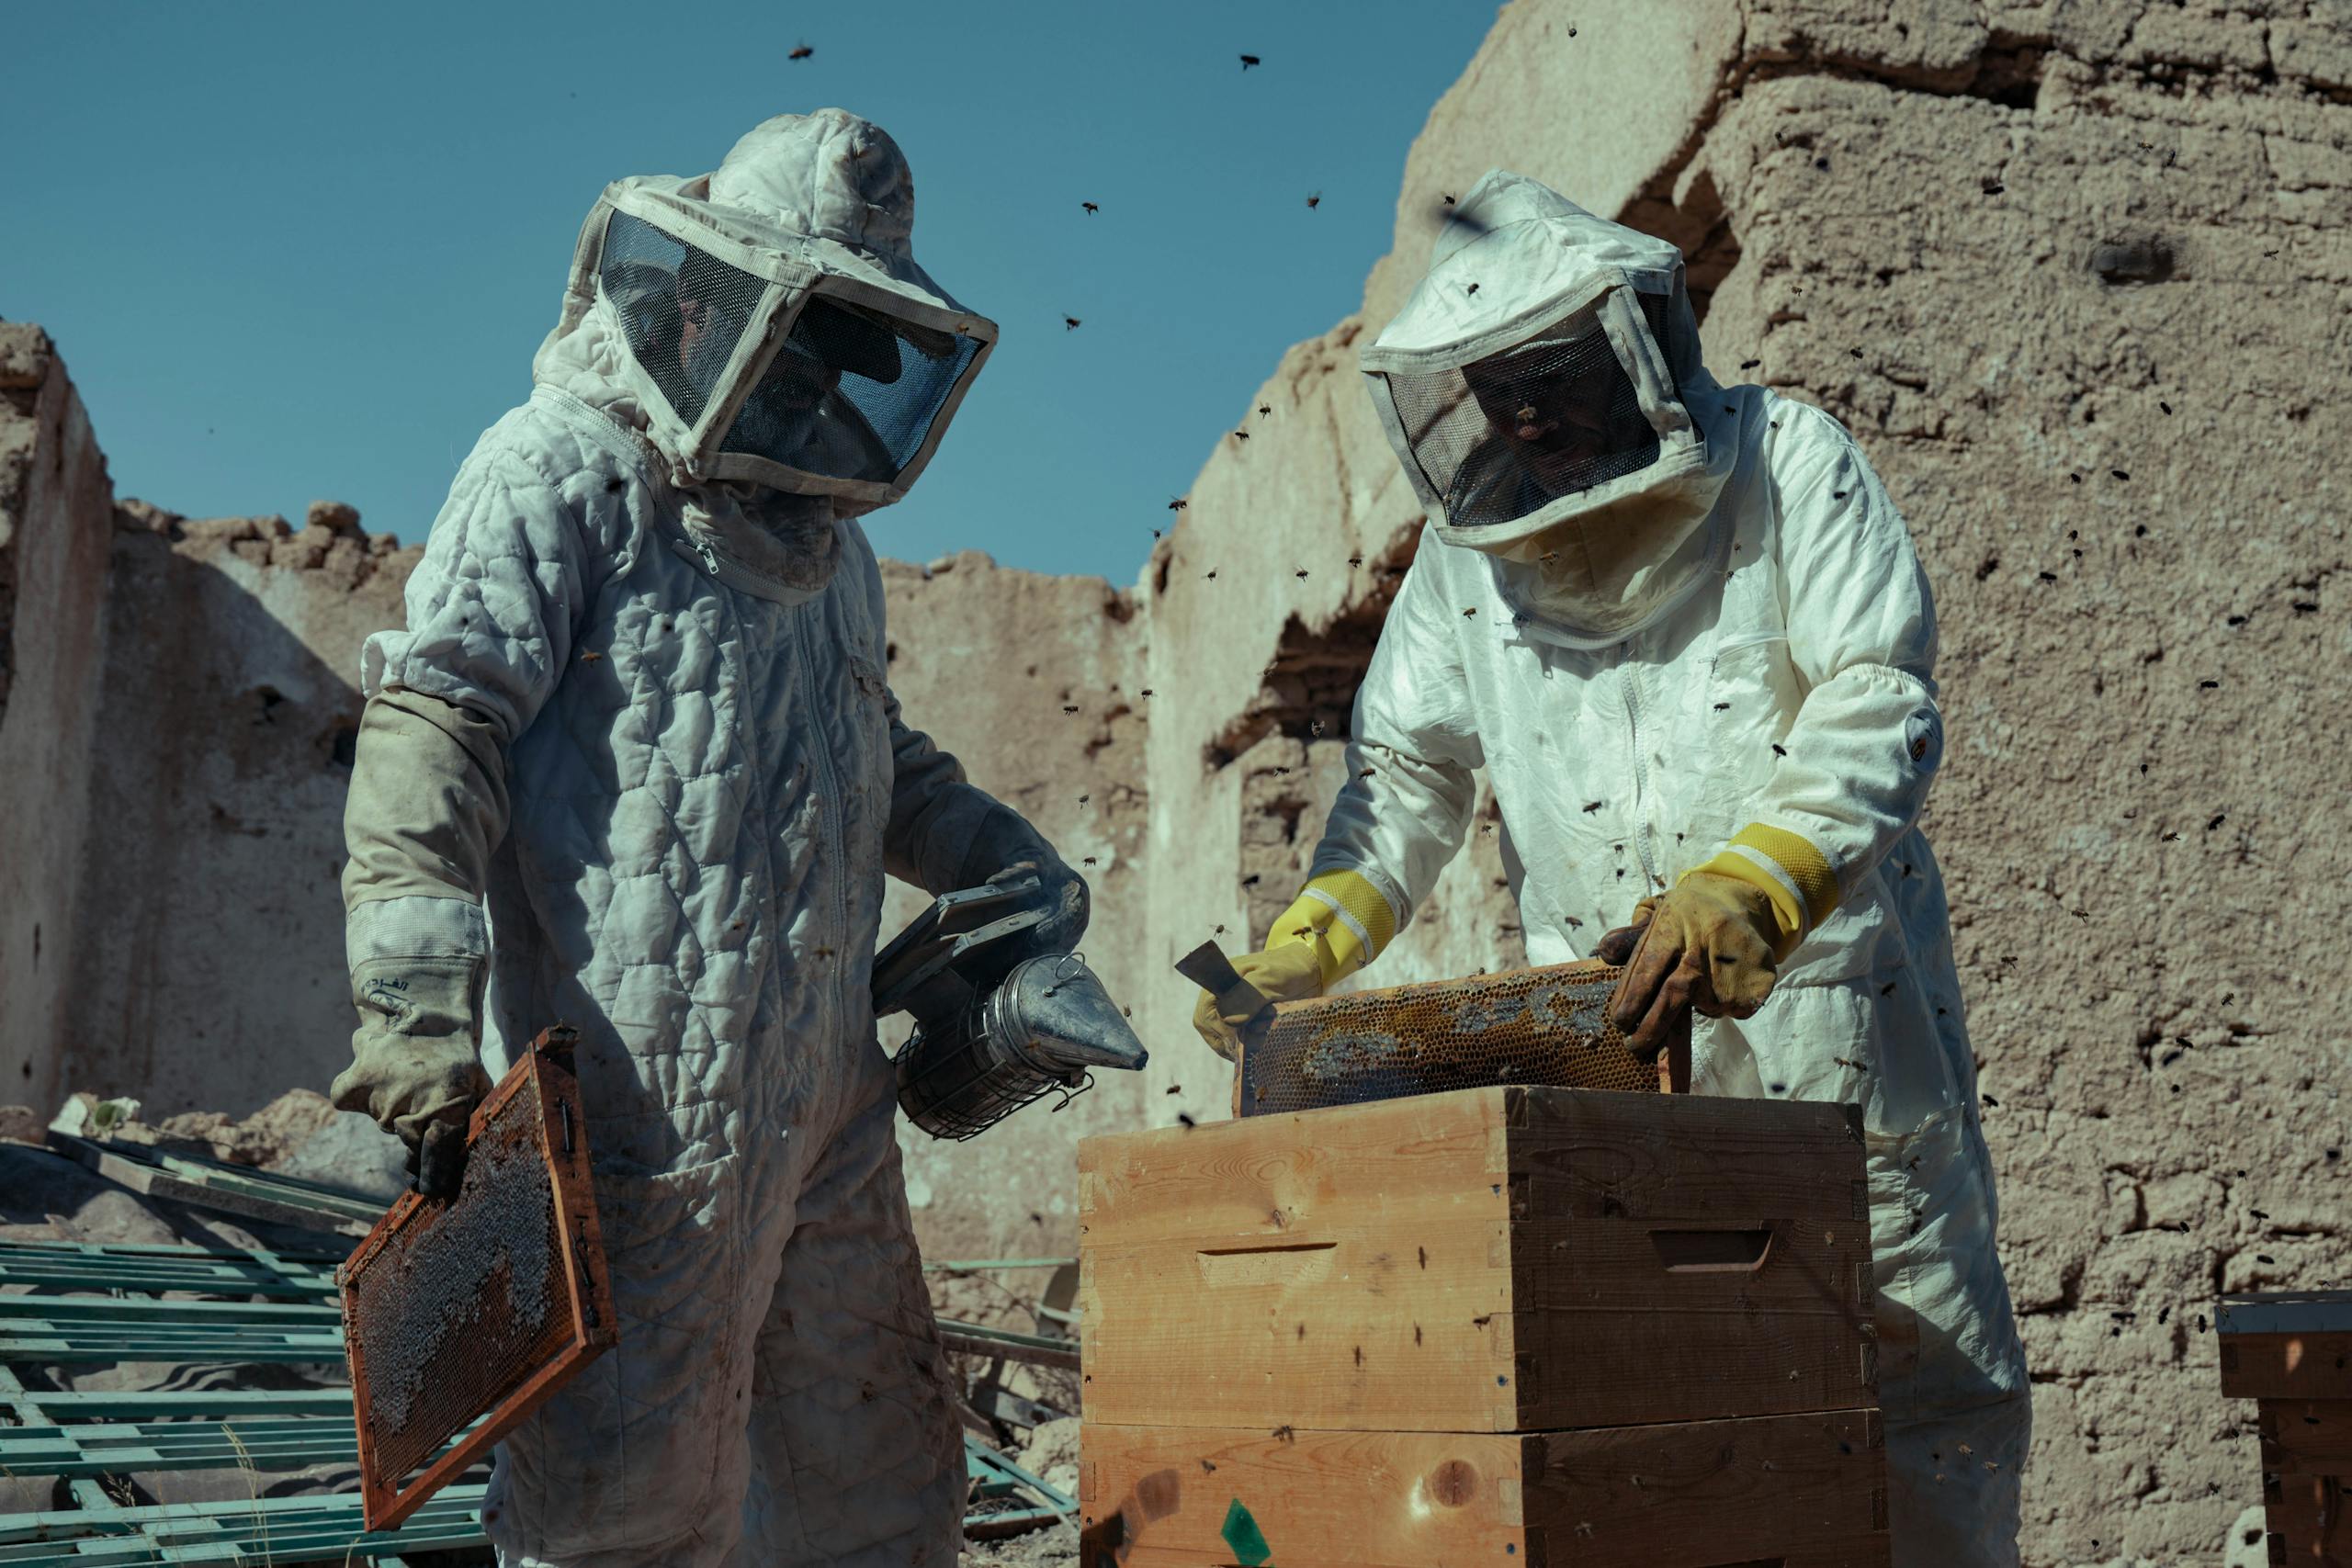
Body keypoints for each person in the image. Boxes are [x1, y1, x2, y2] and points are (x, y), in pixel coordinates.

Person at [1192, 170, 2030, 1565]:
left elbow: (1879, 694)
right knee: (1642, 1425)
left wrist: (1756, 881)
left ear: (1626, 347)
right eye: (1494, 394)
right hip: (1609, 1050)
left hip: (1832, 1036)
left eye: (1546, 379)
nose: (1524, 419)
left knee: (1908, 1409)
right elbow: (1407, 777)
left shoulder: (1787, 458)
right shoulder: (1464, 565)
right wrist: (1315, 937)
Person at [331, 108, 1085, 1567]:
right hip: (629, 1118)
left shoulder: (835, 553)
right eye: (800, 341)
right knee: (622, 1510)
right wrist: (413, 1005)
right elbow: (438, 724)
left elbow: (874, 751)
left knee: (877, 1486)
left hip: (827, 1109)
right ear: (701, 300)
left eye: (845, 353)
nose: (817, 384)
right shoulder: (557, 470)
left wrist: (998, 854)